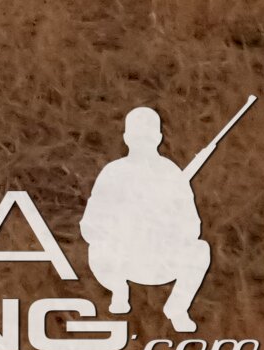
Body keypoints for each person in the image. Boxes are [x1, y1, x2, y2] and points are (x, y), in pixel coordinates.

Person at [83, 105, 216, 334]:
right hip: (122, 260)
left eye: (146, 136)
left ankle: (177, 308)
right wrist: (121, 227)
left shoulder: (171, 174)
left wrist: (164, 225)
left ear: (158, 138)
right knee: (97, 249)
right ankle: (119, 291)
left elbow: (192, 226)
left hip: (161, 261)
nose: (142, 141)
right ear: (126, 138)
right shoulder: (113, 173)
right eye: (137, 136)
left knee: (200, 250)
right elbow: (90, 225)